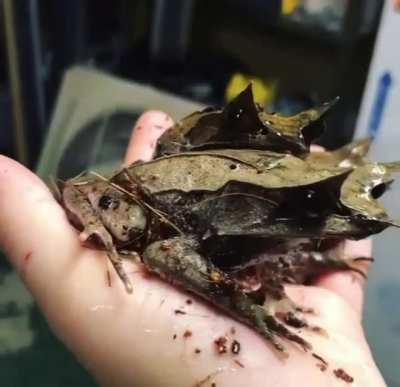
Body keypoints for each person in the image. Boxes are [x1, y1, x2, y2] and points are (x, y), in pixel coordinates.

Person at [0, 111, 387, 387]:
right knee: (146, 239)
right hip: (163, 200)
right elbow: (162, 250)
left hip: (205, 194)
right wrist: (251, 314)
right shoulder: (160, 228)